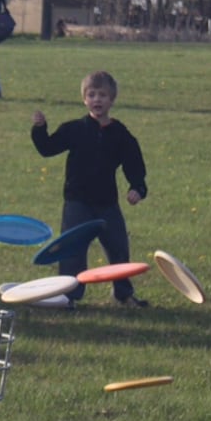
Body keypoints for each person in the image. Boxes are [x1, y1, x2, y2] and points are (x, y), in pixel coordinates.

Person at [31, 71, 148, 307]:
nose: (97, 100)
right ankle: (68, 295)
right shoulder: (75, 129)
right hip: (77, 202)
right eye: (91, 94)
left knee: (118, 248)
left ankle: (122, 294)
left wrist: (137, 188)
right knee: (72, 251)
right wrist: (39, 129)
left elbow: (134, 164)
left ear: (112, 99)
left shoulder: (120, 134)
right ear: (84, 99)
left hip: (107, 203)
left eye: (102, 95)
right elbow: (47, 148)